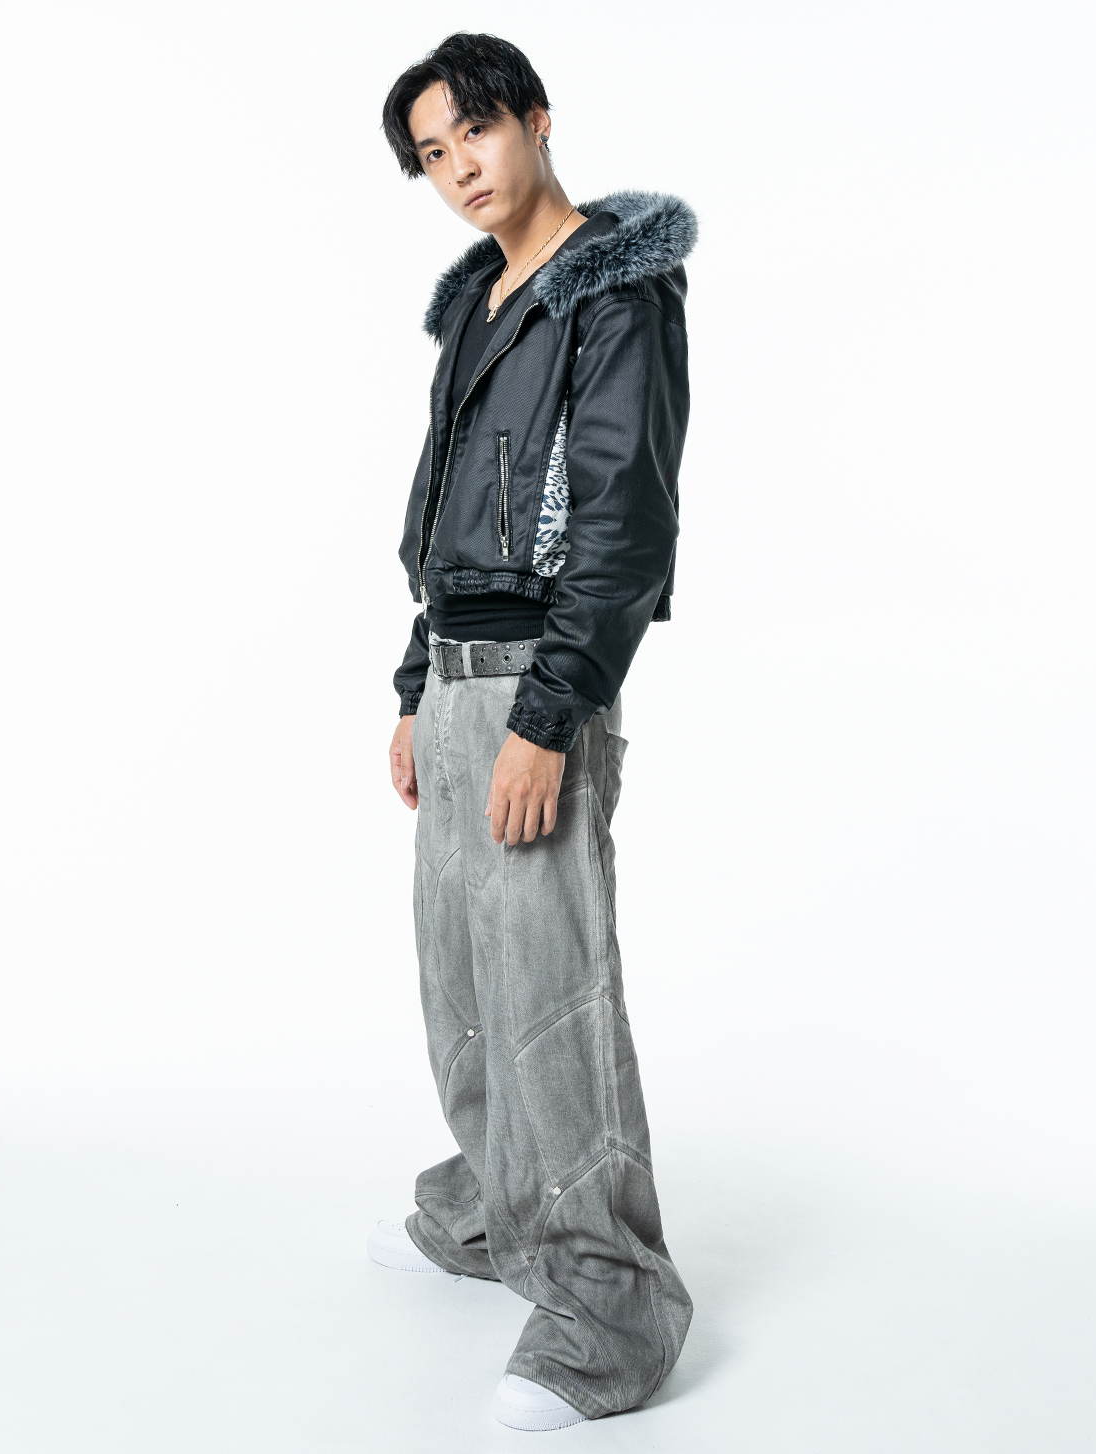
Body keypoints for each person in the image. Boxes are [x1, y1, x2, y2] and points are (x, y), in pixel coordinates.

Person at [370, 32, 696, 1432]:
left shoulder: (613, 292)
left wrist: (548, 718)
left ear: (536, 120)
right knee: (460, 978)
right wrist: (413, 684)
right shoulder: (476, 305)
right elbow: (445, 519)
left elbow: (622, 524)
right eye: (432, 154)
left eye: (475, 133)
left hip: (533, 689)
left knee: (550, 990)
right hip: (457, 679)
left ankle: (609, 1307)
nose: (459, 169)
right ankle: (498, 1203)